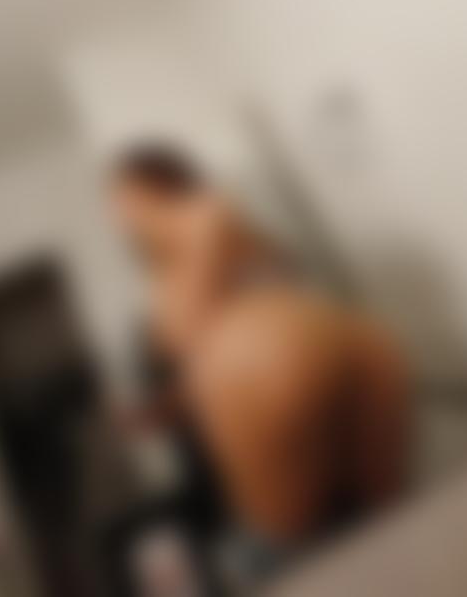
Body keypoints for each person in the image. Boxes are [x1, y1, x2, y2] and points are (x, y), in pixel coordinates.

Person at [107, 143, 409, 586]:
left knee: (363, 551)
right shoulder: (168, 275)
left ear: (159, 188)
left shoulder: (212, 224)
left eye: (123, 201)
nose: (120, 219)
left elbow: (208, 333)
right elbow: (200, 368)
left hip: (300, 427)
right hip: (230, 462)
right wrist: (163, 411)